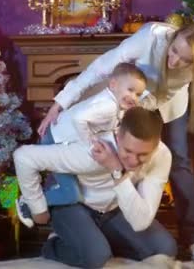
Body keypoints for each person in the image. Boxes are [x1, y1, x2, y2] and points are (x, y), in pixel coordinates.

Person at [37, 22, 194, 262]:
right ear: (171, 40)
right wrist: (60, 103)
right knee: (99, 143)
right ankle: (75, 228)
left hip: (154, 100)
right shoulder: (151, 38)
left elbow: (162, 97)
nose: (175, 62)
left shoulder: (190, 71)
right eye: (174, 52)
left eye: (185, 60)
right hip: (129, 89)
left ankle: (192, 237)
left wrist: (135, 110)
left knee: (178, 160)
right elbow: (100, 68)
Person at [14, 107, 176, 268]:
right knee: (97, 258)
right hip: (74, 206)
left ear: (156, 146)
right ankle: (54, 245)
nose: (133, 161)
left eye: (142, 155)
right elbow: (23, 157)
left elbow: (140, 222)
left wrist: (117, 172)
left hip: (113, 209)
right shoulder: (90, 151)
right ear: (118, 136)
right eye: (128, 151)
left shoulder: (162, 156)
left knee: (163, 249)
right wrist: (38, 208)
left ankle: (94, 241)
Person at [16, 62, 148, 228]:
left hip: (58, 135)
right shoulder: (107, 106)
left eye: (138, 94)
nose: (134, 97)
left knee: (71, 191)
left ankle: (42, 200)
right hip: (55, 138)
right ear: (113, 84)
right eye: (130, 90)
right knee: (71, 194)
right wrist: (90, 143)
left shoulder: (114, 103)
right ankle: (27, 203)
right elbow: (79, 118)